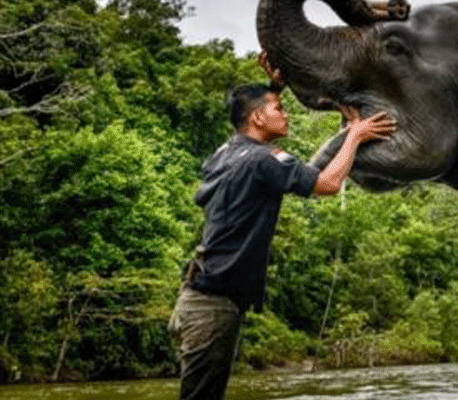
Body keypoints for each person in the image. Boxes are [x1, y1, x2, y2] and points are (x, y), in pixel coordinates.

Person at [169, 83, 395, 400]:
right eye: (279, 108)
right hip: (212, 307)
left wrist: (274, 87)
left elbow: (247, 119)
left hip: (195, 302)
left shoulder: (224, 153)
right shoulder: (264, 160)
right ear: (258, 118)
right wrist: (355, 135)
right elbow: (328, 183)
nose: (286, 114)